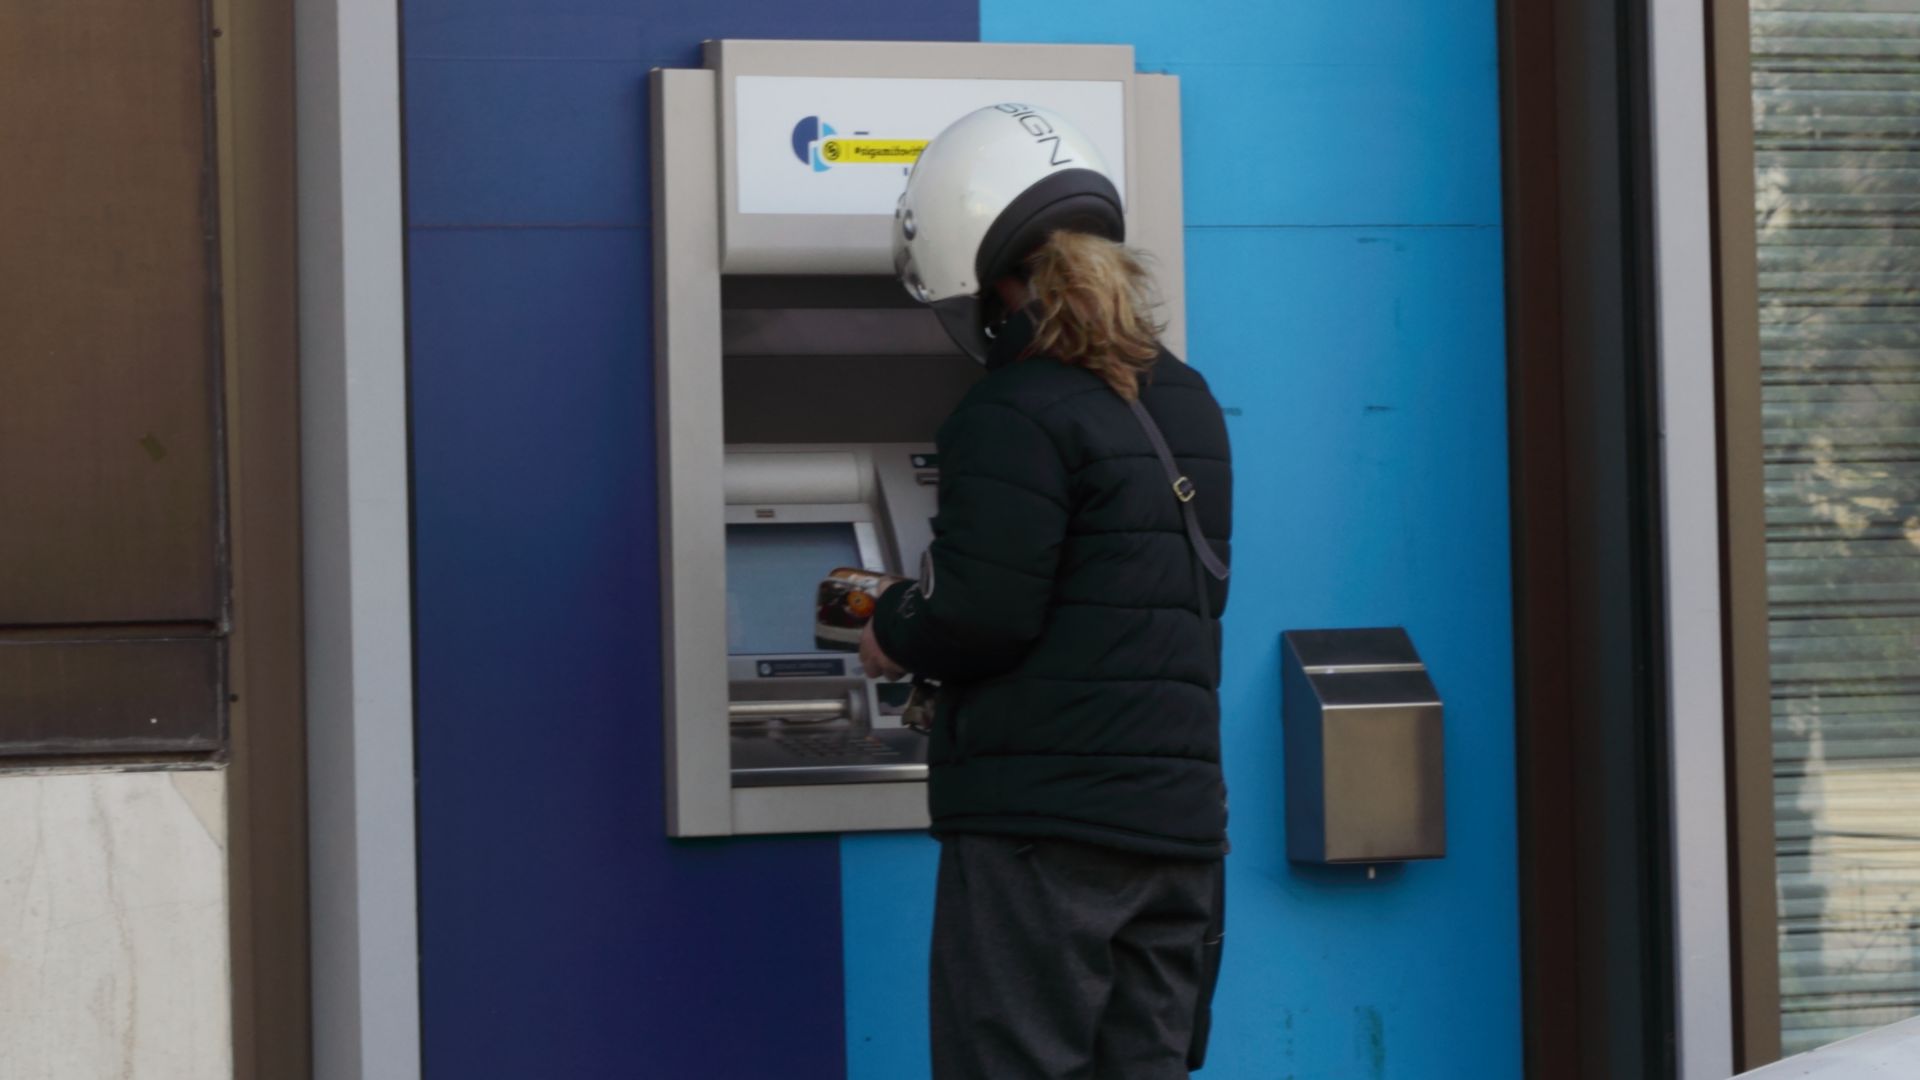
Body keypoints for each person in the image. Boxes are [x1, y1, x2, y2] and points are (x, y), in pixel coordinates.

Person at [860, 104, 1233, 1079]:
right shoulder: (1182, 395)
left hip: (1046, 837)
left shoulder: (1010, 408)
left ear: (988, 281)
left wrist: (893, 624)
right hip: (1179, 831)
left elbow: (982, 612)